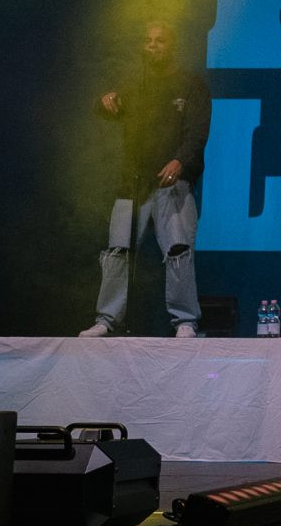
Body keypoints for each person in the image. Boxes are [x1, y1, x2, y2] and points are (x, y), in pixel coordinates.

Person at [79, 21, 209, 338]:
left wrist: (180, 161)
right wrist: (105, 101)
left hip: (172, 182)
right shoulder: (136, 84)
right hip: (133, 183)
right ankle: (106, 319)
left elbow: (198, 132)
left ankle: (185, 320)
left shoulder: (190, 84)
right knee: (118, 251)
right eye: (148, 41)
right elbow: (106, 106)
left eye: (159, 41)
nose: (152, 46)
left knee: (178, 250)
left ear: (172, 45)